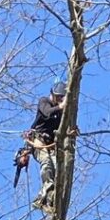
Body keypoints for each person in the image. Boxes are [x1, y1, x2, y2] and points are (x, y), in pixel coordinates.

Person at [28, 81, 66, 211]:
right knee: (47, 163)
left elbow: (65, 126)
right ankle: (46, 195)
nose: (60, 100)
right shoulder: (44, 102)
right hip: (38, 138)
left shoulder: (61, 113)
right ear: (53, 94)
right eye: (59, 97)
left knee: (58, 168)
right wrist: (60, 107)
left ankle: (48, 198)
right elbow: (47, 112)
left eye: (62, 97)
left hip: (51, 144)